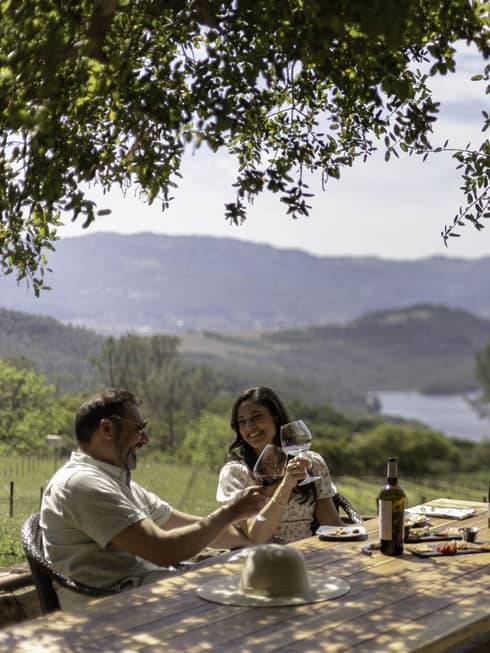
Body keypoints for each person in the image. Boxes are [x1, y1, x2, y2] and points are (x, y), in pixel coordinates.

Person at [40, 389, 265, 610]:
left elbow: (187, 525)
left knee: (252, 561)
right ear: (107, 428)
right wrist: (231, 512)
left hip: (146, 593)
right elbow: (164, 551)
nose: (144, 439)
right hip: (114, 610)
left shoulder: (117, 483)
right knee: (250, 581)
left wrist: (254, 544)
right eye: (138, 429)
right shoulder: (81, 484)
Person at [216, 386, 344, 544]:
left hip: (310, 557)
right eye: (242, 422)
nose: (249, 427)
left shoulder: (311, 464)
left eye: (256, 417)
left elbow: (332, 525)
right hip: (261, 561)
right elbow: (256, 537)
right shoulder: (236, 473)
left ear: (275, 417)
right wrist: (286, 486)